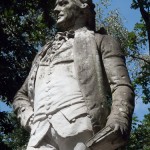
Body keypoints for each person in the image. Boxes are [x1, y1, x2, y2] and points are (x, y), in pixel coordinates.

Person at [13, 0, 135, 150]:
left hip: (80, 125)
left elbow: (121, 84)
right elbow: (21, 95)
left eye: (63, 3)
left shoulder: (102, 41)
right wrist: (30, 119)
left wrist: (119, 117)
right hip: (39, 134)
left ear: (82, 7)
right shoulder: (43, 51)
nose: (56, 9)